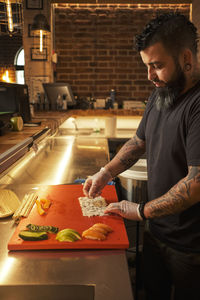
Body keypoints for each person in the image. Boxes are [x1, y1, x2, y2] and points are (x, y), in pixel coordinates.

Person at [83, 12, 200, 300]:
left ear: (186, 57)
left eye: (157, 66)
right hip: (156, 231)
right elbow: (138, 142)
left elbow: (196, 183)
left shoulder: (197, 105)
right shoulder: (160, 94)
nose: (149, 76)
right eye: (147, 66)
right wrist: (106, 172)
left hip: (190, 245)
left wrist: (140, 211)